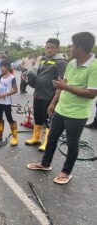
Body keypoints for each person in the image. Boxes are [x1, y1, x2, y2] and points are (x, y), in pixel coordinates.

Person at [27, 32, 97, 184]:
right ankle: (45, 164)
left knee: (72, 143)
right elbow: (61, 85)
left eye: (72, 45)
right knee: (51, 138)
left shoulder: (94, 67)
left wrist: (66, 86)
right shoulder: (71, 63)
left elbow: (91, 93)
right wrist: (53, 103)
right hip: (61, 109)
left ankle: (66, 171)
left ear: (80, 48)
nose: (70, 48)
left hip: (77, 114)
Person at [25, 38, 67, 152]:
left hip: (49, 96)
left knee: (49, 121)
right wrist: (30, 77)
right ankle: (36, 138)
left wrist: (55, 100)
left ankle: (47, 142)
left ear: (57, 49)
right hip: (38, 94)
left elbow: (62, 82)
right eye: (47, 47)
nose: (49, 50)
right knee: (38, 117)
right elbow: (37, 75)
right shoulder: (43, 60)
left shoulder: (61, 62)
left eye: (52, 48)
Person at [0, 60, 18, 146]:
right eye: (0, 67)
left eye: (2, 67)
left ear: (7, 67)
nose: (0, 69)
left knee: (9, 118)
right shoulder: (0, 76)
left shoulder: (12, 77)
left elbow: (15, 90)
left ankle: (15, 137)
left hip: (6, 102)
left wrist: (5, 94)